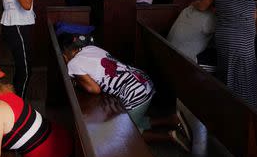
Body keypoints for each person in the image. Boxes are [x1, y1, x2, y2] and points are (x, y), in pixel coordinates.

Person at [59, 34, 191, 149]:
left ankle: (170, 137)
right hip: (143, 81)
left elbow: (94, 89)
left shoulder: (73, 63)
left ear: (65, 56)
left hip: (134, 93)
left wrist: (77, 82)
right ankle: (172, 119)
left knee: (126, 134)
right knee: (136, 122)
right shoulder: (90, 48)